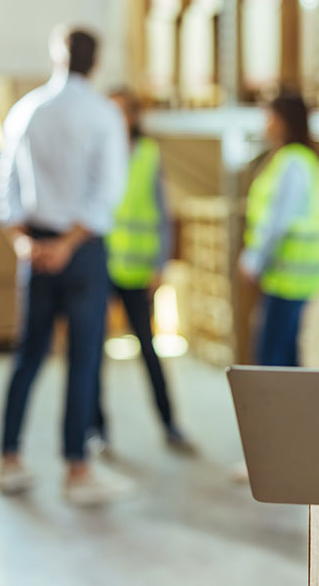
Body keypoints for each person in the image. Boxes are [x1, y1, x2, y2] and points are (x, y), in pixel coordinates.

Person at [0, 26, 134, 503]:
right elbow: (106, 193)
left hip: (36, 248)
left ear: (58, 56)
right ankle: (77, 470)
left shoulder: (26, 110)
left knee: (27, 355)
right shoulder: (103, 115)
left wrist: (25, 243)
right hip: (84, 251)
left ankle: (9, 458)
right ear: (95, 62)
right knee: (84, 359)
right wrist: (70, 244)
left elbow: (5, 185)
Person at [90, 89, 191, 453]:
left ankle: (169, 423)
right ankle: (97, 429)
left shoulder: (149, 154)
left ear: (134, 116)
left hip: (138, 271)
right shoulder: (97, 150)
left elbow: (162, 214)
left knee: (148, 349)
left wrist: (159, 265)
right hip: (101, 269)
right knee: (93, 353)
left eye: (123, 112)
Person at [239, 92, 319, 367]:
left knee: (271, 359)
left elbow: (278, 219)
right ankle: (300, 411)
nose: (265, 124)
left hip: (289, 276)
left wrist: (254, 259)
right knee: (286, 356)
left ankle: (283, 411)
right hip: (285, 275)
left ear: (284, 121)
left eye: (270, 117)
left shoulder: (293, 162)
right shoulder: (290, 159)